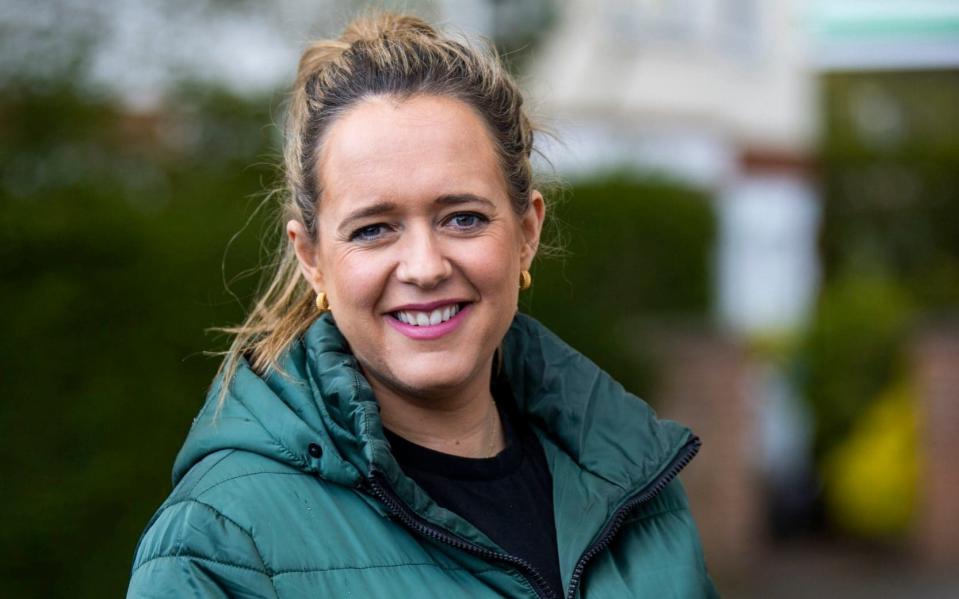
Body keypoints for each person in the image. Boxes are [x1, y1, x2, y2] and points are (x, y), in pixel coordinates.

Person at [127, 12, 716, 599]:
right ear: (311, 257)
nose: (425, 266)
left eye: (463, 218)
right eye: (373, 229)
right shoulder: (221, 543)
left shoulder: (638, 488)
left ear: (527, 231)